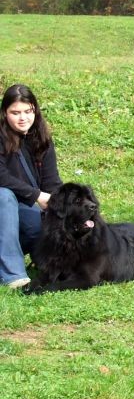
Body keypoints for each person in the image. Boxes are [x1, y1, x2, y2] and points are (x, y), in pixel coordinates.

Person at [0, 84, 63, 289]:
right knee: (3, 196)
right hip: (5, 205)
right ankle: (14, 276)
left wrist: (61, 205)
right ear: (4, 113)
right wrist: (36, 195)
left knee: (46, 222)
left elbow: (52, 183)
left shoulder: (41, 138)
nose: (23, 118)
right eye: (15, 112)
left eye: (28, 111)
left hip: (24, 209)